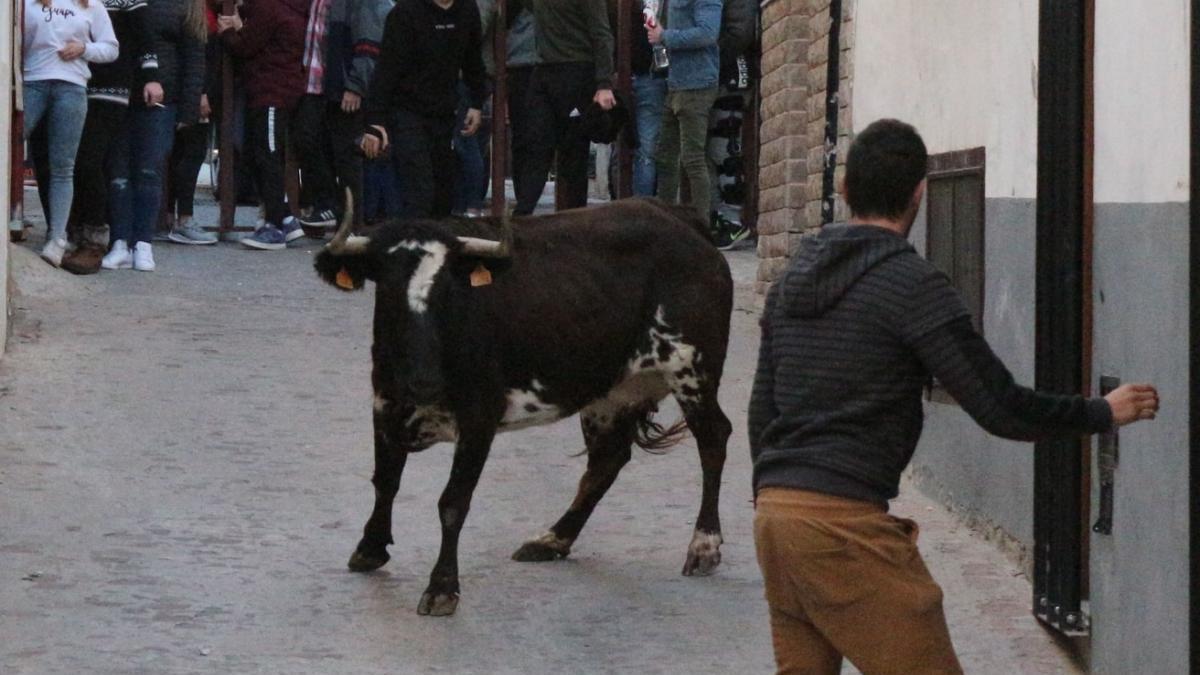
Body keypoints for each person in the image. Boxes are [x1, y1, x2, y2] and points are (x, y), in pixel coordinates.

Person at [748, 119, 1161, 674]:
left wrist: (775, 497)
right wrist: (1100, 412)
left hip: (776, 518)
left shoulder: (792, 279)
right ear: (920, 192)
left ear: (844, 191)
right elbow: (998, 406)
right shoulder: (912, 285)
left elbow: (761, 408)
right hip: (844, 528)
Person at [100, 0, 205, 271]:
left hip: (162, 99)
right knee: (118, 171)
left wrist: (188, 109)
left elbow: (194, 56)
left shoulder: (185, 6)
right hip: (120, 90)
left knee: (150, 169)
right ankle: (120, 241)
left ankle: (143, 243)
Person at [360, 0, 485, 219]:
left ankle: (433, 246)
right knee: (419, 189)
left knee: (443, 194)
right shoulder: (405, 13)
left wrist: (476, 103)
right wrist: (375, 122)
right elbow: (385, 71)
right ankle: (413, 246)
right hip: (406, 111)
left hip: (444, 112)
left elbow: (473, 60)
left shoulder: (467, 9)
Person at [22, 0, 118, 267]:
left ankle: (57, 238)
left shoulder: (91, 5)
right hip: (32, 81)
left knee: (63, 166)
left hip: (72, 85)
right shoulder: (26, 2)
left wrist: (84, 48)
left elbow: (111, 48)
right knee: (10, 147)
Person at [217, 0, 308, 250]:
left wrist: (227, 32)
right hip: (279, 89)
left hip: (270, 91)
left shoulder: (268, 7)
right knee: (262, 154)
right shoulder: (287, 7)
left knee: (267, 155)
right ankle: (287, 218)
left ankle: (274, 226)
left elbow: (246, 46)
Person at [293, 0, 391, 232]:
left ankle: (350, 222)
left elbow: (368, 38)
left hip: (342, 82)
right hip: (316, 83)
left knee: (347, 156)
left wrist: (356, 84)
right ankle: (330, 208)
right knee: (308, 140)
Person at [510, 0, 613, 216]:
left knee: (573, 154)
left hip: (576, 71)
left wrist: (604, 83)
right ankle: (522, 215)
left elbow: (601, 33)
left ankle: (574, 219)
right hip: (545, 71)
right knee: (536, 145)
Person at [647, 0, 721, 220]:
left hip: (697, 83)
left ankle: (700, 228)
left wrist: (665, 36)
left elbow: (708, 33)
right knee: (666, 155)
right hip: (676, 82)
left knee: (693, 159)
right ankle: (665, 222)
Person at [164, 0, 222, 245]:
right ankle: (184, 219)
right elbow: (197, 55)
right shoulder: (198, 11)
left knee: (179, 153)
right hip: (195, 92)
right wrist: (202, 92)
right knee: (192, 152)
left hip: (187, 90)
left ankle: (169, 216)